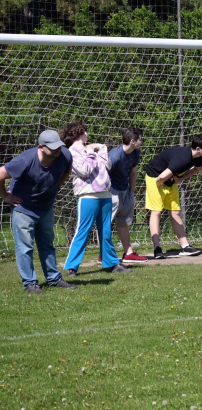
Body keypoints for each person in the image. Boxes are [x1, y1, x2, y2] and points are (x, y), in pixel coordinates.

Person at [0, 130, 76, 294]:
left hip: (45, 208)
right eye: (53, 147)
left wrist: (56, 188)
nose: (57, 150)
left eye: (59, 146)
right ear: (41, 147)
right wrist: (5, 195)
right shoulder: (26, 160)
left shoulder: (64, 155)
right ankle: (30, 283)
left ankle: (54, 279)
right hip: (24, 208)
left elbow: (67, 171)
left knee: (47, 245)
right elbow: (0, 174)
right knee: (25, 248)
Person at [62, 122, 131, 277]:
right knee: (83, 231)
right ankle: (72, 267)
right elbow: (84, 170)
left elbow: (107, 165)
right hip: (88, 195)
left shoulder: (93, 148)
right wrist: (92, 152)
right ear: (79, 133)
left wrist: (101, 147)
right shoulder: (72, 152)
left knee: (105, 230)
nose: (87, 133)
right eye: (85, 131)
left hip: (105, 194)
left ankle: (111, 263)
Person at [145, 135, 202, 259]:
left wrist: (180, 179)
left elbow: (197, 168)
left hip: (168, 178)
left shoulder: (199, 158)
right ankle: (157, 249)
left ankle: (185, 246)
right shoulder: (183, 158)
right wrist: (161, 184)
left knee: (175, 212)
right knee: (156, 212)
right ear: (198, 148)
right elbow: (160, 177)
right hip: (155, 178)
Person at [107, 127, 146, 263]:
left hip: (125, 191)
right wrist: (108, 193)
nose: (142, 142)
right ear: (133, 141)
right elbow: (103, 175)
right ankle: (103, 254)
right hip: (112, 192)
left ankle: (128, 253)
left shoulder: (135, 152)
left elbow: (133, 172)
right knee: (105, 223)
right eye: (141, 139)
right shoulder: (115, 156)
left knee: (123, 223)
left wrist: (131, 191)